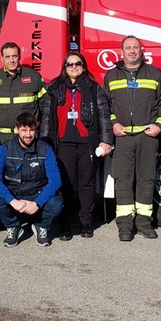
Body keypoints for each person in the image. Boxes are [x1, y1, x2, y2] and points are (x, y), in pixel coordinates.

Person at [103, 36, 161, 242]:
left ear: (142, 51)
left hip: (147, 136)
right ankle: (124, 225)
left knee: (146, 179)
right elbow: (106, 106)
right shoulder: (111, 75)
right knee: (123, 180)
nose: (132, 51)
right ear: (121, 51)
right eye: (128, 48)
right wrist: (114, 123)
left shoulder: (155, 73)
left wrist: (159, 126)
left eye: (136, 47)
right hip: (123, 137)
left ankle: (143, 222)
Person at [40, 51, 113, 239]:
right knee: (66, 184)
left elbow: (104, 116)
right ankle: (65, 223)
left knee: (86, 184)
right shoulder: (54, 88)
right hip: (63, 143)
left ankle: (86, 222)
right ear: (64, 67)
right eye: (70, 64)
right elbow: (47, 119)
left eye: (77, 63)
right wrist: (45, 143)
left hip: (87, 143)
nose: (74, 67)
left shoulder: (94, 88)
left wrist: (106, 140)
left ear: (84, 65)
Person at [0, 112, 62, 247]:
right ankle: (13, 226)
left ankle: (41, 226)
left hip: (37, 193)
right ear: (16, 129)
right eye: (24, 130)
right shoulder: (5, 149)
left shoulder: (45, 149)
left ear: (36, 130)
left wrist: (37, 203)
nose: (28, 135)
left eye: (31, 130)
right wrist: (12, 201)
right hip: (14, 193)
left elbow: (56, 181)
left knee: (56, 203)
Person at [0, 41, 47, 145]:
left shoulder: (33, 76)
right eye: (7, 57)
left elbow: (44, 103)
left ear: (19, 57)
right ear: (1, 58)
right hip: (0, 138)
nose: (11, 60)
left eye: (14, 56)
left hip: (27, 136)